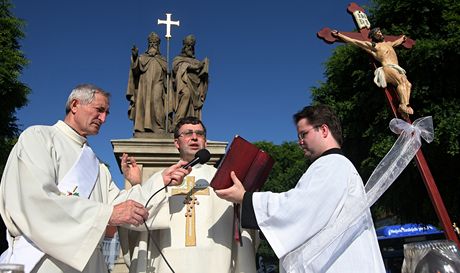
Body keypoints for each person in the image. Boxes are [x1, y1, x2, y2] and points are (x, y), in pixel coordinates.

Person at [0, 84, 190, 273]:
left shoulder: (97, 165)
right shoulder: (38, 138)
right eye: (99, 110)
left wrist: (160, 180)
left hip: (90, 262)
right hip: (43, 260)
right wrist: (106, 215)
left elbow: (120, 206)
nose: (104, 118)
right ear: (75, 105)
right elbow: (34, 200)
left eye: (106, 112)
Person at [215, 105, 386, 273]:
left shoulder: (333, 164)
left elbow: (299, 207)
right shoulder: (333, 166)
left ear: (324, 130)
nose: (300, 142)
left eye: (304, 134)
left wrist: (246, 198)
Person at [120, 116, 257, 273]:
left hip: (215, 262)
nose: (194, 137)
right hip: (166, 260)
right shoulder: (163, 178)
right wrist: (136, 185)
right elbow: (141, 217)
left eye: (199, 134)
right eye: (188, 133)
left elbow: (241, 226)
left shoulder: (224, 179)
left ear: (205, 142)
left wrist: (247, 198)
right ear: (177, 143)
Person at [332, 27, 413, 116]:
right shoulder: (375, 46)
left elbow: (397, 42)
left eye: (380, 32)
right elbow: (354, 41)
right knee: (400, 81)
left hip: (397, 68)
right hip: (387, 67)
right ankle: (403, 104)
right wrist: (339, 34)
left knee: (408, 84)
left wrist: (402, 38)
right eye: (377, 33)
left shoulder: (389, 44)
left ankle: (405, 105)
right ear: (374, 37)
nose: (380, 34)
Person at [126, 32, 168, 133]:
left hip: (158, 84)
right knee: (144, 104)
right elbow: (135, 70)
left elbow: (168, 77)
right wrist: (135, 57)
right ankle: (143, 127)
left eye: (155, 43)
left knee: (157, 102)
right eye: (151, 42)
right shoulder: (142, 58)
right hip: (144, 85)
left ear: (158, 45)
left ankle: (159, 126)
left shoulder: (162, 59)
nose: (153, 45)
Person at [172, 35, 209, 127]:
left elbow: (202, 75)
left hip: (195, 87)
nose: (190, 48)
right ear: (184, 47)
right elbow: (176, 68)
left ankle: (192, 124)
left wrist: (204, 69)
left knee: (193, 106)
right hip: (184, 83)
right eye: (188, 46)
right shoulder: (178, 59)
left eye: (191, 46)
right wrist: (194, 67)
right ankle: (178, 123)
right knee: (186, 94)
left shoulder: (196, 61)